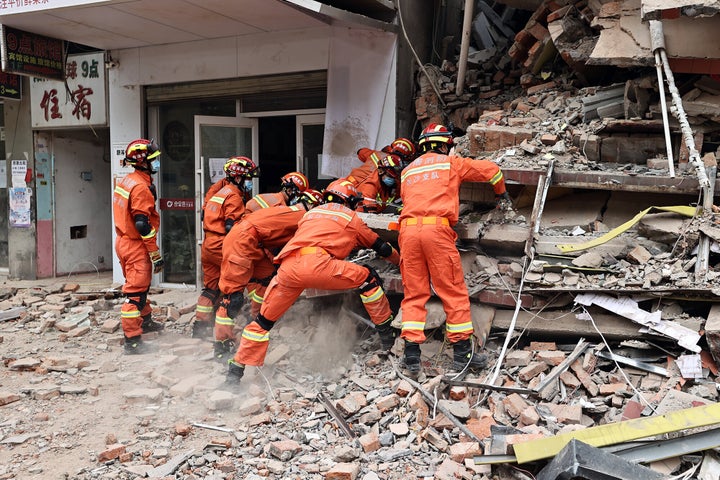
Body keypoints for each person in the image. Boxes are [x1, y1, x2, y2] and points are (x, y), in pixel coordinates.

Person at [225, 179, 401, 384]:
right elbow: (381, 247)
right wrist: (401, 262)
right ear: (349, 200)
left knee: (263, 323)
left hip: (288, 268)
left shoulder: (309, 214)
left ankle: (234, 373)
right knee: (368, 277)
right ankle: (386, 333)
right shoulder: (349, 216)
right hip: (318, 264)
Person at [398, 123, 511, 377]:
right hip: (436, 230)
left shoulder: (407, 171)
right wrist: (501, 194)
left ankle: (412, 357)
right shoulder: (450, 163)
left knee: (414, 294)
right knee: (452, 291)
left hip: (407, 232)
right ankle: (463, 355)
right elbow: (492, 171)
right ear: (445, 145)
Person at [213, 189, 324, 361]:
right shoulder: (300, 217)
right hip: (242, 241)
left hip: (254, 243)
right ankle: (222, 344)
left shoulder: (291, 211)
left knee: (267, 281)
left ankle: (256, 320)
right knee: (232, 298)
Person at [193, 157, 259, 339]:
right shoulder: (234, 196)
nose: (249, 182)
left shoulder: (219, 192)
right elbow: (232, 227)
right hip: (222, 245)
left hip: (208, 244)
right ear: (238, 178)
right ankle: (225, 337)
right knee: (234, 290)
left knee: (211, 287)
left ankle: (200, 326)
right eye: (247, 178)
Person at [112, 138, 165, 354]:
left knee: (140, 287)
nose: (157, 163)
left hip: (123, 242)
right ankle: (132, 341)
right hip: (136, 245)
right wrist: (155, 253)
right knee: (135, 294)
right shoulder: (141, 187)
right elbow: (142, 224)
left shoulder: (127, 180)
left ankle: (147, 321)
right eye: (153, 160)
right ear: (143, 163)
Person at [245, 171, 309, 213]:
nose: (298, 199)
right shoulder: (282, 208)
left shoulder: (261, 196)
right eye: (297, 195)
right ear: (289, 191)